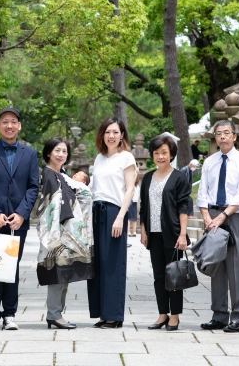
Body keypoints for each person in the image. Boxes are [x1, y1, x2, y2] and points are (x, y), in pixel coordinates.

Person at [0, 106, 40, 330]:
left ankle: (10, 314)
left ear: (19, 126)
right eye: (4, 121)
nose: (9, 125)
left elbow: (33, 187)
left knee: (12, 266)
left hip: (17, 221)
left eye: (13, 121)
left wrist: (22, 214)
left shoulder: (30, 154)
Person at [196, 120, 239, 333]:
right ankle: (219, 315)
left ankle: (238, 317)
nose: (222, 137)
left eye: (226, 133)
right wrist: (206, 216)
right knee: (216, 266)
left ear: (234, 136)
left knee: (236, 267)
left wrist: (222, 216)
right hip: (212, 215)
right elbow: (202, 192)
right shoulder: (209, 162)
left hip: (234, 217)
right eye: (218, 133)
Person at [31, 138, 94, 330]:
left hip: (67, 232)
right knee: (57, 274)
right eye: (57, 151)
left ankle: (57, 313)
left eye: (64, 151)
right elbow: (53, 204)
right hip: (57, 233)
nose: (61, 155)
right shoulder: (50, 174)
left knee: (64, 274)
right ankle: (54, 314)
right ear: (48, 153)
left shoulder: (63, 175)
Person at [88, 117, 136, 329]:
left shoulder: (126, 157)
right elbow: (94, 188)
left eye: (115, 132)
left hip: (114, 212)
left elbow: (130, 189)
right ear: (102, 135)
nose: (111, 136)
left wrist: (120, 217)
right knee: (97, 264)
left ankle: (114, 316)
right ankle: (102, 313)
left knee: (113, 264)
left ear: (122, 135)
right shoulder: (99, 158)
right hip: (96, 212)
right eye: (107, 132)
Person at [140, 135, 191, 331]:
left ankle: (174, 316)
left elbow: (183, 207)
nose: (160, 157)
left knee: (174, 276)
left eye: (164, 153)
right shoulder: (147, 178)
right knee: (159, 276)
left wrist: (182, 235)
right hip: (153, 234)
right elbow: (144, 207)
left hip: (173, 234)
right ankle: (162, 314)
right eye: (156, 153)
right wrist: (143, 231)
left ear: (171, 155)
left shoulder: (179, 177)